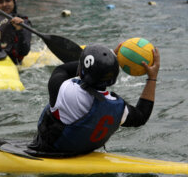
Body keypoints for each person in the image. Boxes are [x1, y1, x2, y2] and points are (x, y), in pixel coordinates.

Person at [29, 43, 160, 156]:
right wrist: (152, 77)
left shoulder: (65, 91)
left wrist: (95, 64)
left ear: (81, 71)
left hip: (49, 150)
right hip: (86, 151)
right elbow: (141, 116)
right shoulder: (119, 108)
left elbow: (61, 69)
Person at [0, 0, 32, 64]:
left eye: (8, 0)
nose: (4, 4)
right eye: (0, 2)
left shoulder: (23, 21)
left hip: (12, 61)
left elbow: (24, 51)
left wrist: (20, 30)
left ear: (14, 1)